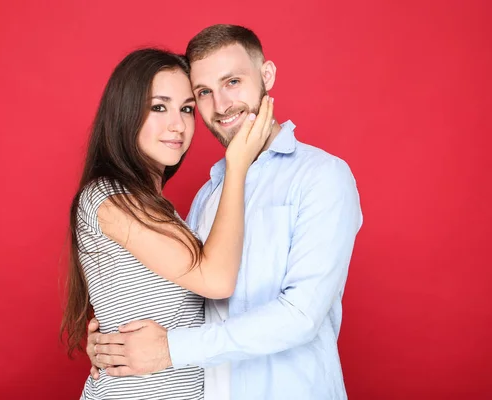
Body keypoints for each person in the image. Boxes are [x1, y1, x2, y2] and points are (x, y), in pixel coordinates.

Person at [86, 25, 363, 399]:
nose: (221, 105)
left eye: (232, 81)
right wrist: (112, 338)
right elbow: (192, 298)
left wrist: (169, 349)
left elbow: (301, 316)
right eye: (203, 93)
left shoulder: (321, 176)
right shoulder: (208, 196)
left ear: (267, 75)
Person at [60, 47, 274, 399]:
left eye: (187, 109)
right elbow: (217, 280)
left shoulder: (161, 210)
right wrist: (237, 165)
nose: (178, 125)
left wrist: (101, 341)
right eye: (159, 106)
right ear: (125, 111)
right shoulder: (109, 197)